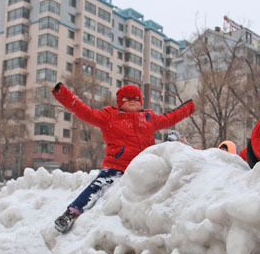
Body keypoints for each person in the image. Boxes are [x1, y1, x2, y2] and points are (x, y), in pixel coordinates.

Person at [52, 82, 195, 233]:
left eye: (136, 98)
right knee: (98, 186)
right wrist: (62, 94)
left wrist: (190, 107)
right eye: (127, 98)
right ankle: (70, 214)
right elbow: (84, 111)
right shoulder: (109, 116)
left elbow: (170, 117)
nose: (132, 100)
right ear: (120, 102)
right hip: (117, 167)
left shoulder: (148, 117)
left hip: (143, 167)